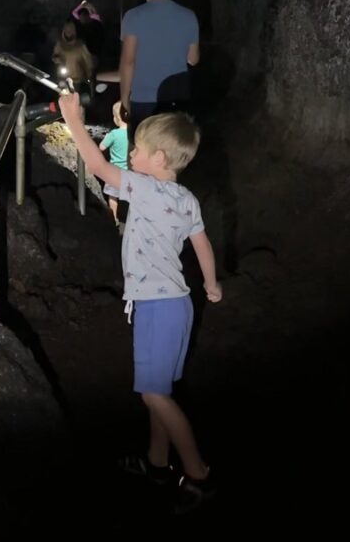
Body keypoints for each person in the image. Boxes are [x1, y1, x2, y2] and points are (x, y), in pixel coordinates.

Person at [58, 90, 222, 513]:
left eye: (139, 149)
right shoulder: (186, 199)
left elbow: (95, 166)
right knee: (159, 390)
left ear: (161, 160)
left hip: (156, 307)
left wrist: (73, 119)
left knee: (154, 395)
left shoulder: (147, 190)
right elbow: (201, 243)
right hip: (179, 306)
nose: (131, 152)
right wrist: (211, 283)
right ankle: (157, 462)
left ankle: (199, 474)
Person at [120, 0, 199, 138]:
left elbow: (128, 61)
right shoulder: (189, 16)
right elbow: (193, 59)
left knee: (142, 152)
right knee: (172, 153)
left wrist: (125, 99)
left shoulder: (134, 17)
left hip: (144, 99)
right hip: (178, 98)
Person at [99, 101, 128, 227]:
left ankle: (114, 218)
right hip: (130, 171)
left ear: (116, 118)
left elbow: (101, 147)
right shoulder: (133, 134)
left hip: (114, 171)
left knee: (112, 197)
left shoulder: (114, 134)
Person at [52, 20, 94, 84]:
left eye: (70, 30)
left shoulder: (80, 44)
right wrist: (58, 60)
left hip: (77, 79)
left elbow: (87, 59)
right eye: (67, 30)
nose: (68, 32)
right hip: (64, 78)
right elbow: (55, 56)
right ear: (64, 31)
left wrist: (89, 73)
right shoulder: (60, 44)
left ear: (74, 31)